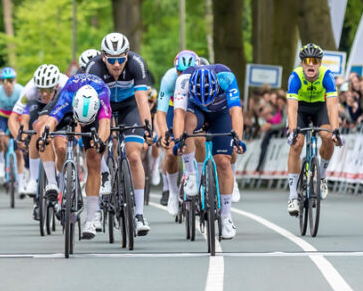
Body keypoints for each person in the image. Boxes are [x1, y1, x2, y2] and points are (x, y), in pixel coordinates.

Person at [85, 32, 155, 235]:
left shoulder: (136, 63)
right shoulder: (94, 67)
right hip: (102, 106)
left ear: (127, 55)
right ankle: (105, 175)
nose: (117, 65)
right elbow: (91, 102)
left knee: (134, 155)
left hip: (129, 107)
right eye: (112, 60)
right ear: (103, 56)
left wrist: (148, 127)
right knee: (95, 153)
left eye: (121, 59)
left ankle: (139, 214)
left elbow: (142, 99)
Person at [172, 62, 245, 240]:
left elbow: (236, 111)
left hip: (221, 114)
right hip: (196, 112)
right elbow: (179, 114)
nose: (207, 101)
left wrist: (238, 139)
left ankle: (226, 217)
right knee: (187, 126)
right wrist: (178, 139)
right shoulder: (183, 80)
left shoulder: (226, 77)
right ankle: (191, 173)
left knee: (223, 162)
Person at [39, 72, 113, 240]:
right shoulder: (68, 94)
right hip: (68, 108)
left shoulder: (102, 94)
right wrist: (46, 134)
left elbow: (105, 123)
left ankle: (90, 220)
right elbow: (52, 120)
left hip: (92, 113)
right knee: (44, 132)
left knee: (94, 158)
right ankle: (55, 181)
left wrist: (100, 142)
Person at [284, 44, 343, 217]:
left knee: (327, 136)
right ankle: (293, 195)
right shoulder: (295, 76)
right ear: (302, 63)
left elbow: (332, 107)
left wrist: (336, 130)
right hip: (300, 109)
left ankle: (322, 176)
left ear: (320, 63)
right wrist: (294, 130)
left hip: (319, 108)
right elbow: (292, 108)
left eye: (315, 61)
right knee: (297, 144)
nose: (311, 64)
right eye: (307, 61)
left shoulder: (327, 75)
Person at [8, 64, 68, 203]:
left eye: (48, 89)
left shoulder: (65, 84)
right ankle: (34, 179)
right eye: (41, 90)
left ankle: (63, 174)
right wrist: (19, 137)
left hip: (61, 104)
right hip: (39, 107)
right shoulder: (30, 89)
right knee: (37, 127)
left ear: (56, 86)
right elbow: (13, 117)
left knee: (60, 143)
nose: (45, 94)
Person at [155, 50, 198, 215]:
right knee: (171, 153)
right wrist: (164, 134)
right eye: (180, 72)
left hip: (192, 108)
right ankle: (173, 193)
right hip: (174, 109)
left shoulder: (202, 76)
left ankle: (199, 179)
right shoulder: (169, 79)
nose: (183, 75)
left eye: (187, 72)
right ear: (175, 70)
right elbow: (161, 113)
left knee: (199, 140)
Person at [0, 67, 24, 182]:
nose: (8, 84)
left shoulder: (21, 90)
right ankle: (0, 161)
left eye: (11, 80)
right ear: (1, 82)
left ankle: (20, 182)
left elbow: (25, 113)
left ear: (15, 80)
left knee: (19, 148)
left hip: (16, 116)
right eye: (5, 81)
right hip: (3, 117)